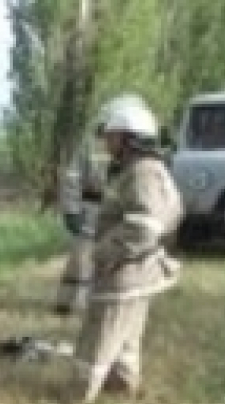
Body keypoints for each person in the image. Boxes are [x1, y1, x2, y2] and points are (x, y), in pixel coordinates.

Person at [69, 100, 184, 404]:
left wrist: (103, 253)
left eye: (111, 136)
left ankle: (75, 400)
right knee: (126, 340)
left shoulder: (142, 172)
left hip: (123, 272)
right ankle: (121, 390)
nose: (106, 142)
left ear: (128, 137)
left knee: (98, 339)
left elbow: (145, 227)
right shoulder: (143, 169)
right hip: (136, 270)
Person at [54, 94, 149, 315]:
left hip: (118, 213)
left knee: (113, 258)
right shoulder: (91, 143)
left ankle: (100, 302)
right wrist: (71, 211)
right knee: (82, 258)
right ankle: (69, 304)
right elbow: (72, 177)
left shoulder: (137, 147)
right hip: (91, 211)